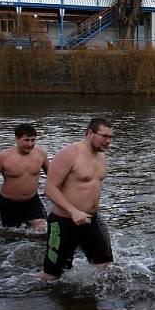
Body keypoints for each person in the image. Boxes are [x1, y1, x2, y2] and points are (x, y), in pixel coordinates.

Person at [38, 118, 115, 280]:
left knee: (105, 268)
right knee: (51, 276)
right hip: (63, 222)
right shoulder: (69, 154)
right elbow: (50, 189)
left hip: (91, 220)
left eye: (111, 137)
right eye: (104, 136)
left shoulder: (101, 154)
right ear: (89, 133)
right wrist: (73, 211)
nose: (108, 141)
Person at [0, 123, 49, 231]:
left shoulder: (41, 154)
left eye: (33, 140)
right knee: (12, 235)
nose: (30, 144)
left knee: (43, 230)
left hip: (32, 201)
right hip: (9, 203)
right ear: (17, 139)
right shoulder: (3, 157)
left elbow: (53, 176)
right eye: (26, 140)